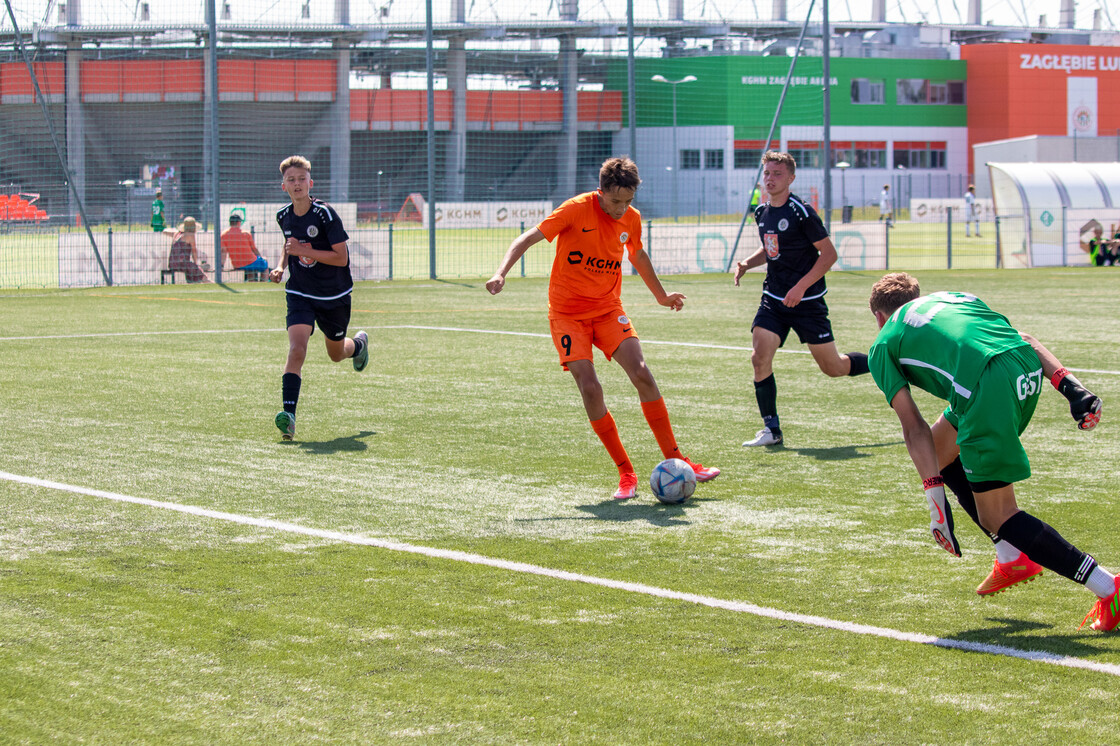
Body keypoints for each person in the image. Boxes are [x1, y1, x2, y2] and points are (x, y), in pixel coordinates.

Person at [868, 272, 1118, 630]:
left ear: (879, 317)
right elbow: (1025, 340)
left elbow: (913, 427)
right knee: (942, 452)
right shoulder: (954, 297)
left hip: (986, 387)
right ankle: (1010, 554)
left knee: (997, 515)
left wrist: (935, 504)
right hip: (1023, 371)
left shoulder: (883, 343)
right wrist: (1073, 390)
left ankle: (1108, 587)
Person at [485, 156, 719, 500]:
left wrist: (661, 295)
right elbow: (526, 239)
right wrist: (500, 272)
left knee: (642, 373)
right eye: (614, 201)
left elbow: (638, 256)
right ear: (601, 192)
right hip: (567, 315)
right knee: (590, 388)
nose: (621, 209)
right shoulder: (575, 209)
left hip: (608, 310)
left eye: (628, 201)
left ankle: (676, 458)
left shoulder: (631, 218)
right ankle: (626, 472)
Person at [733, 150, 871, 447]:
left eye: (777, 174)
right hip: (774, 299)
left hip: (807, 303)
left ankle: (880, 360)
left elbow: (829, 255)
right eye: (767, 173)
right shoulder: (761, 212)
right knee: (759, 357)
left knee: (833, 368)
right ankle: (772, 430)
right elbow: (772, 250)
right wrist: (746, 263)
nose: (770, 179)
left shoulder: (802, 212)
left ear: (791, 179)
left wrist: (800, 288)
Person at [269, 155, 369, 441]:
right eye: (291, 180)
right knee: (296, 349)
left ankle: (359, 345)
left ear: (310, 183)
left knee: (336, 354)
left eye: (302, 179)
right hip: (300, 292)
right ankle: (288, 417)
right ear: (283, 185)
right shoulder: (283, 215)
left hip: (333, 295)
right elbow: (289, 245)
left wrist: (303, 251)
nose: (297, 184)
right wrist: (281, 265)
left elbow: (341, 258)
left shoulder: (325, 215)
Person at [221, 211, 268, 280]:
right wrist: (260, 256)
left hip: (237, 264)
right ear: (239, 222)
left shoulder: (224, 235)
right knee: (265, 263)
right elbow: (254, 249)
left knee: (250, 269)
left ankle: (251, 282)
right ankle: (263, 283)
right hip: (250, 261)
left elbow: (223, 252)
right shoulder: (246, 233)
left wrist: (222, 265)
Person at [167, 217, 212, 284]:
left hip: (172, 263)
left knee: (190, 267)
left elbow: (165, 231)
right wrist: (196, 264)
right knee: (194, 268)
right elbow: (194, 252)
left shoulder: (177, 234)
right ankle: (206, 280)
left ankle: (194, 282)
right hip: (182, 263)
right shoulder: (190, 235)